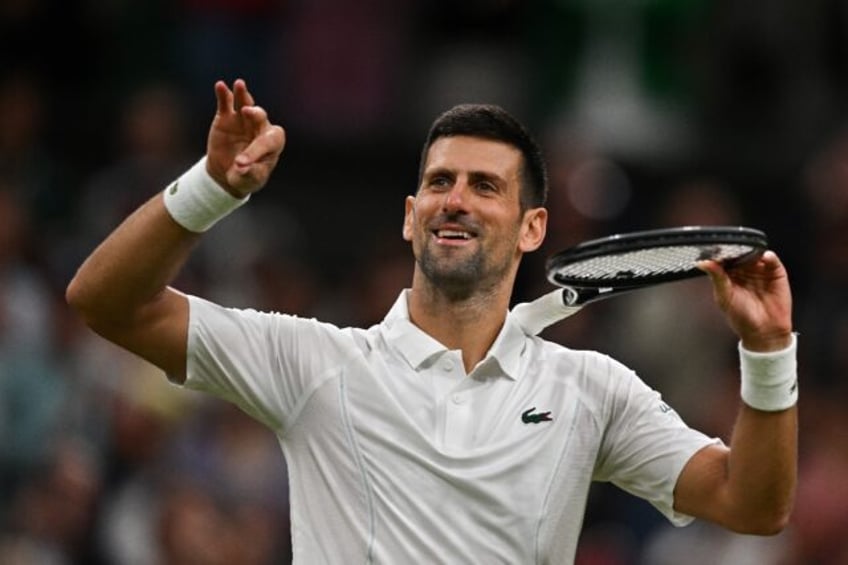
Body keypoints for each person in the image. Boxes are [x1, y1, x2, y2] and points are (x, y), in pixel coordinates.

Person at [66, 79, 798, 563]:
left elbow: (753, 503)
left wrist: (767, 352)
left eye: (485, 186)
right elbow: (105, 300)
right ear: (411, 219)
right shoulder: (313, 362)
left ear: (533, 226)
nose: (456, 199)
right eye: (439, 183)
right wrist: (211, 189)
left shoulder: (592, 389)